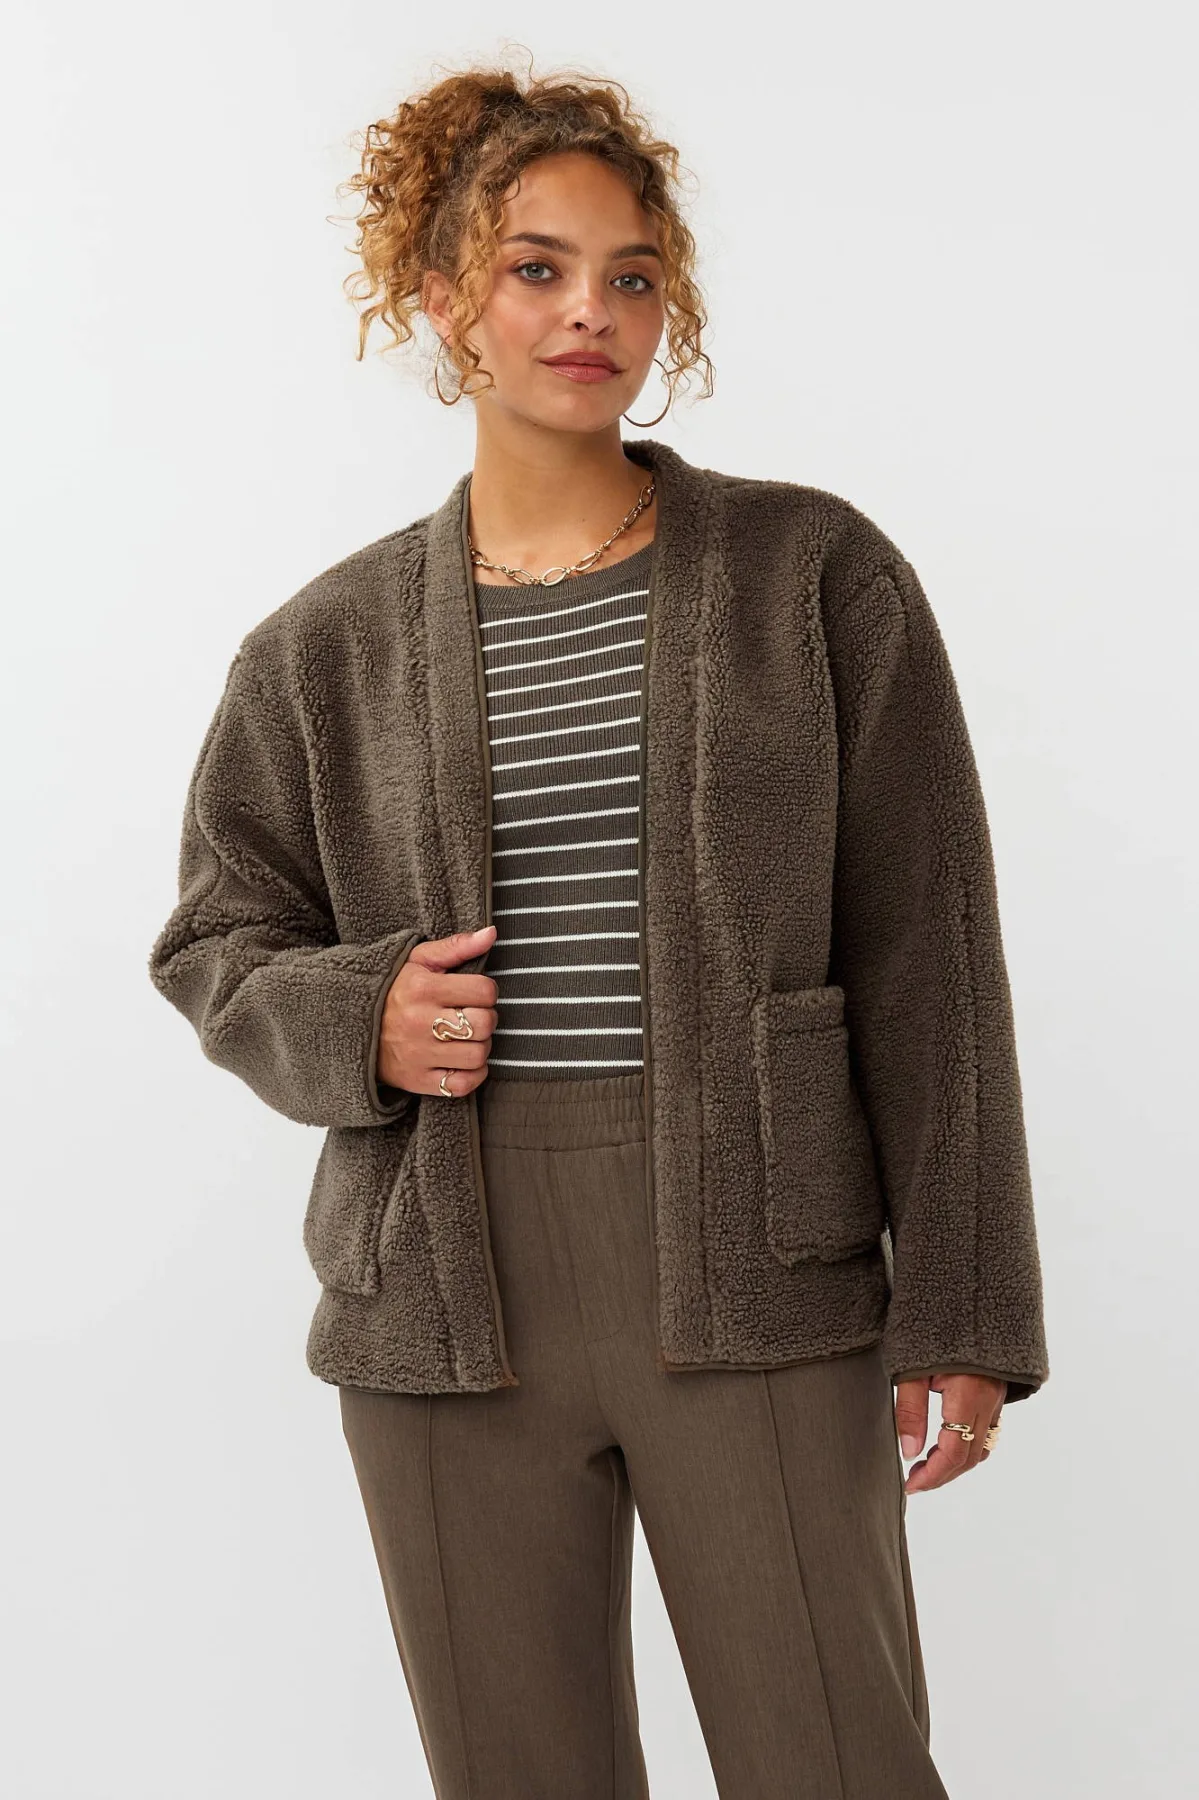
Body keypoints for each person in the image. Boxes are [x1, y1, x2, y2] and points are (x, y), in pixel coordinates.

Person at [148, 58, 1049, 1800]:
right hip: (440, 1286)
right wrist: (357, 1018)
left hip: (758, 1262)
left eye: (630, 275)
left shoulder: (812, 576)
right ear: (442, 301)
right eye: (536, 268)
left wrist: (960, 1301)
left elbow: (929, 958)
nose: (590, 313)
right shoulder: (320, 648)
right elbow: (216, 936)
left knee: (836, 1763)